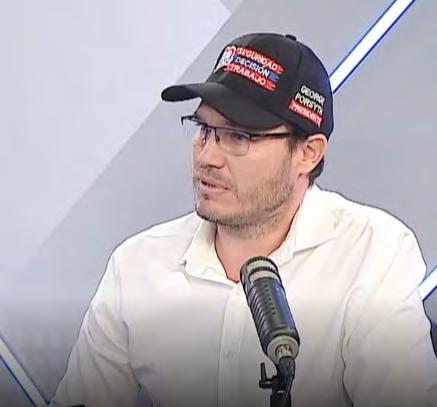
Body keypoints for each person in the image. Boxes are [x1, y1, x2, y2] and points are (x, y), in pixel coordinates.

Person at [51, 33, 437, 407]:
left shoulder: (372, 253)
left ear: (308, 153)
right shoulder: (137, 266)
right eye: (204, 130)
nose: (207, 157)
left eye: (238, 137)